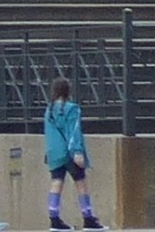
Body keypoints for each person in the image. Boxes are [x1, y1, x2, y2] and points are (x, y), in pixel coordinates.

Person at [44, 76, 104, 230]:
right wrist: (77, 151)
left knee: (57, 181)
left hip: (54, 152)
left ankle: (54, 218)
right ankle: (88, 218)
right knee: (81, 182)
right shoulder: (72, 109)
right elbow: (74, 131)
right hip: (69, 152)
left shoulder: (49, 110)